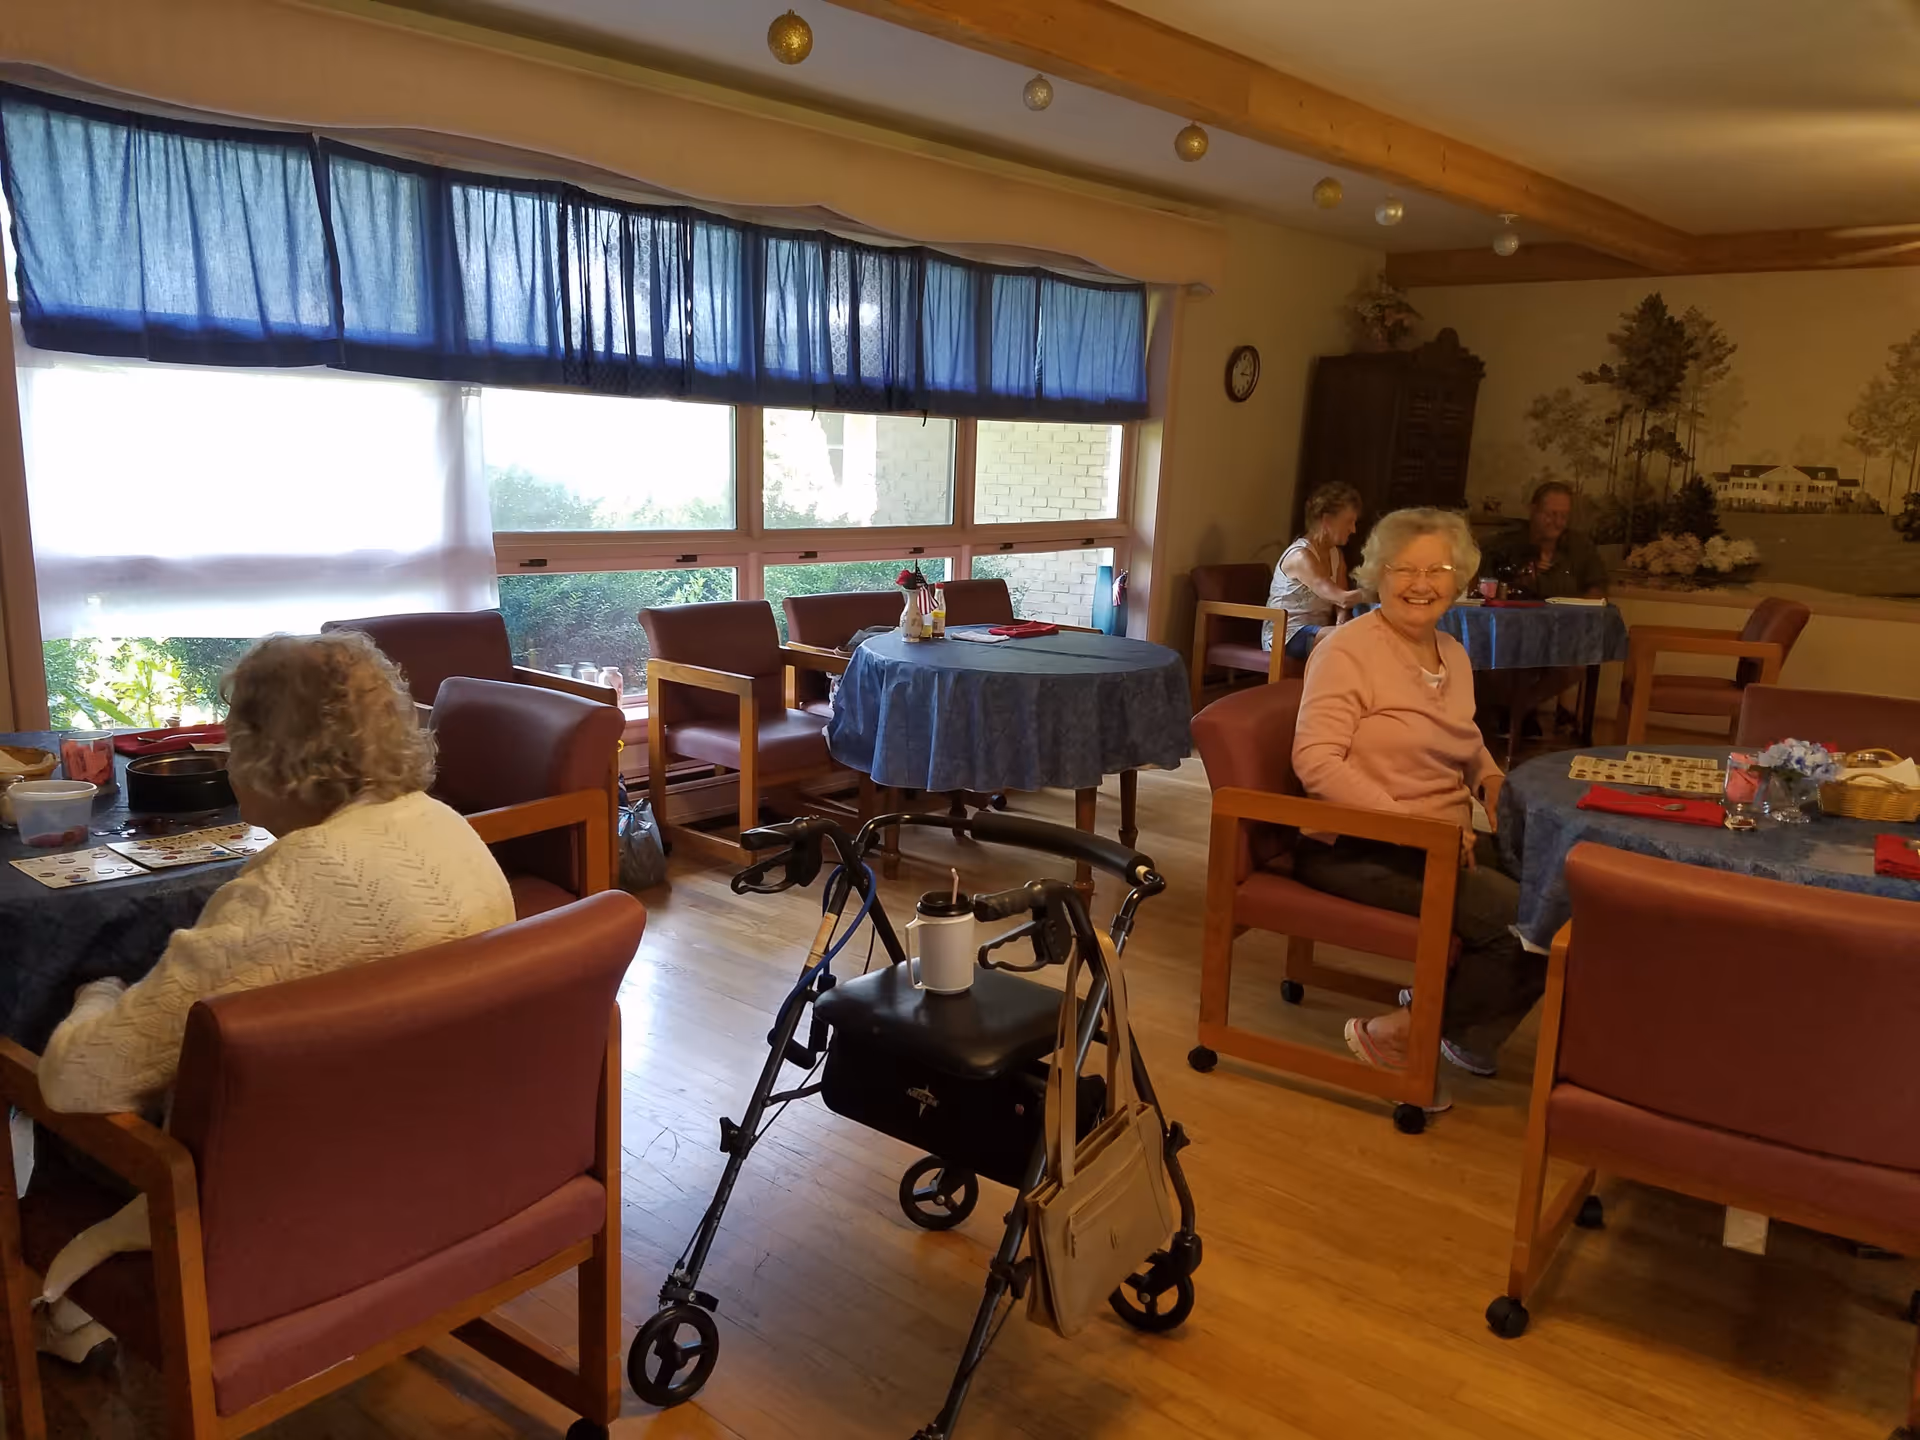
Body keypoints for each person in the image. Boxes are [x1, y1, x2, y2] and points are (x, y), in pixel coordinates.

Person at [27, 631, 516, 1363]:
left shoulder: (280, 897)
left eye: (232, 741)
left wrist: (97, 988)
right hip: (446, 1157)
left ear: (265, 754)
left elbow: (74, 1082)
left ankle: (68, 1312)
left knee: (38, 1059)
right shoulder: (447, 827)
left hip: (301, 1198)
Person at [1289, 507, 1542, 1093]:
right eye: (1404, 569)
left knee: (1564, 890)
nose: (1421, 584)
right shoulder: (1347, 649)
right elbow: (1316, 762)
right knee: (1517, 921)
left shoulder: (1450, 652)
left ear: (1460, 580)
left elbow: (1463, 736)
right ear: (1378, 575)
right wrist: (1414, 827)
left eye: (1438, 569)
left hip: (1442, 838)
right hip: (1360, 843)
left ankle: (1459, 1023)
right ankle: (1403, 1030)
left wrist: (1489, 779)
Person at [1262, 482, 1365, 661]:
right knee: (1359, 637)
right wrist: (1382, 590)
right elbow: (1341, 597)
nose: (1353, 529)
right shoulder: (1301, 556)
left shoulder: (1336, 555)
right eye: (1349, 522)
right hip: (1287, 636)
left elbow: (1341, 603)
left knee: (1362, 636)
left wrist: (1341, 620)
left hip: (1319, 631)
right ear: (1327, 520)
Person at [1487, 479, 1608, 599]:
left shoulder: (1581, 546)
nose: (1558, 522)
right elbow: (1486, 591)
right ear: (1533, 510)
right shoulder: (1504, 547)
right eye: (1551, 515)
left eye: (1564, 516)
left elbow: (1598, 587)